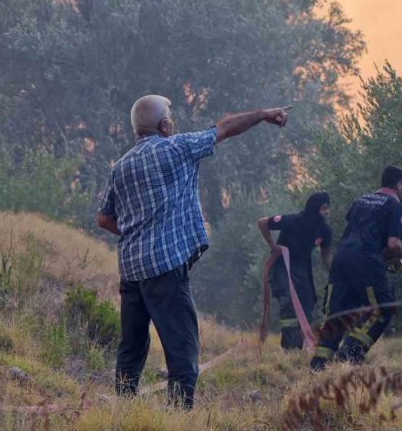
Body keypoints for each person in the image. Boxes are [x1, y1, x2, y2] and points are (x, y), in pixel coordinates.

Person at [97, 95, 291, 409]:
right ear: (163, 125)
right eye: (170, 116)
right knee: (182, 346)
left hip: (131, 270)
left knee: (131, 347)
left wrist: (135, 228)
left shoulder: (121, 166)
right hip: (165, 268)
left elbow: (104, 219)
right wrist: (265, 114)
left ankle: (123, 411)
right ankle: (179, 416)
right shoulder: (178, 147)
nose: (172, 121)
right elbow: (225, 127)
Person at [309, 166, 402, 372]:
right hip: (366, 259)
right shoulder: (395, 205)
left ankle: (318, 366)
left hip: (342, 258)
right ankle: (351, 352)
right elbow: (394, 244)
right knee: (384, 308)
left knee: (338, 313)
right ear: (399, 185)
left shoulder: (361, 200)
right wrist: (397, 261)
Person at [257, 192, 333, 350]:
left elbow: (326, 254)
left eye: (328, 208)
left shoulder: (324, 230)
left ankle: (301, 346)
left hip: (303, 268)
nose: (327, 212)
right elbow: (262, 222)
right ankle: (290, 349)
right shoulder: (291, 221)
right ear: (314, 208)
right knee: (289, 304)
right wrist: (273, 245)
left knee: (307, 303)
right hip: (281, 266)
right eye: (324, 208)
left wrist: (335, 273)